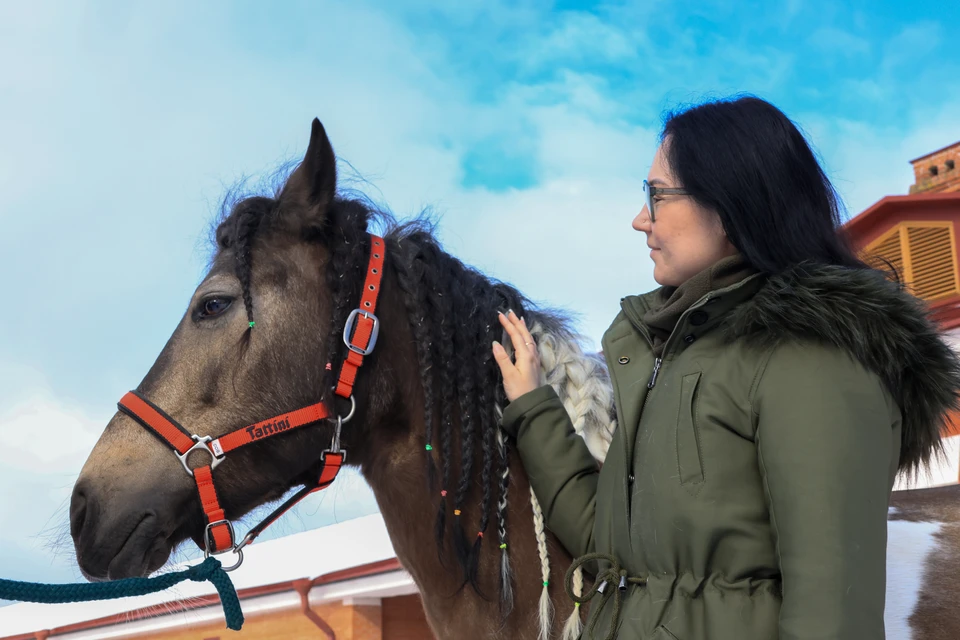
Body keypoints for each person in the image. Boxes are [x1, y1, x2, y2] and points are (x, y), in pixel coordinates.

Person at [492, 95, 960, 640]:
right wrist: (532, 407)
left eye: (657, 195)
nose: (640, 219)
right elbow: (609, 541)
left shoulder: (814, 359)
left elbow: (831, 617)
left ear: (732, 202)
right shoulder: (675, 360)